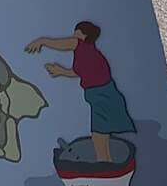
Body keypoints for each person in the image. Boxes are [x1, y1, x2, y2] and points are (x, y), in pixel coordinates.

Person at [24, 21, 134, 162]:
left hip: (103, 96)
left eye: (76, 33)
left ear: (83, 35)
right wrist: (61, 71)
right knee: (101, 134)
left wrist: (42, 41)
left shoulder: (81, 45)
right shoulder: (88, 54)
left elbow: (64, 44)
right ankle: (106, 162)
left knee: (98, 134)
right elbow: (80, 72)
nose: (73, 36)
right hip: (101, 96)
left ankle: (104, 163)